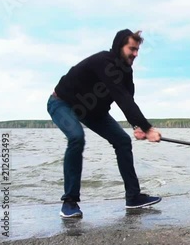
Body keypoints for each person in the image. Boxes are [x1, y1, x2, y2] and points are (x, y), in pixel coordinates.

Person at [47, 29, 162, 218]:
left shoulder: (126, 72)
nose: (135, 54)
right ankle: (69, 202)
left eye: (137, 50)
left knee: (123, 141)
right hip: (62, 102)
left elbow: (128, 99)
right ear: (119, 46)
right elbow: (122, 98)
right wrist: (149, 129)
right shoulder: (103, 62)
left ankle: (133, 198)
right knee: (76, 137)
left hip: (92, 111)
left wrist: (137, 127)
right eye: (132, 49)